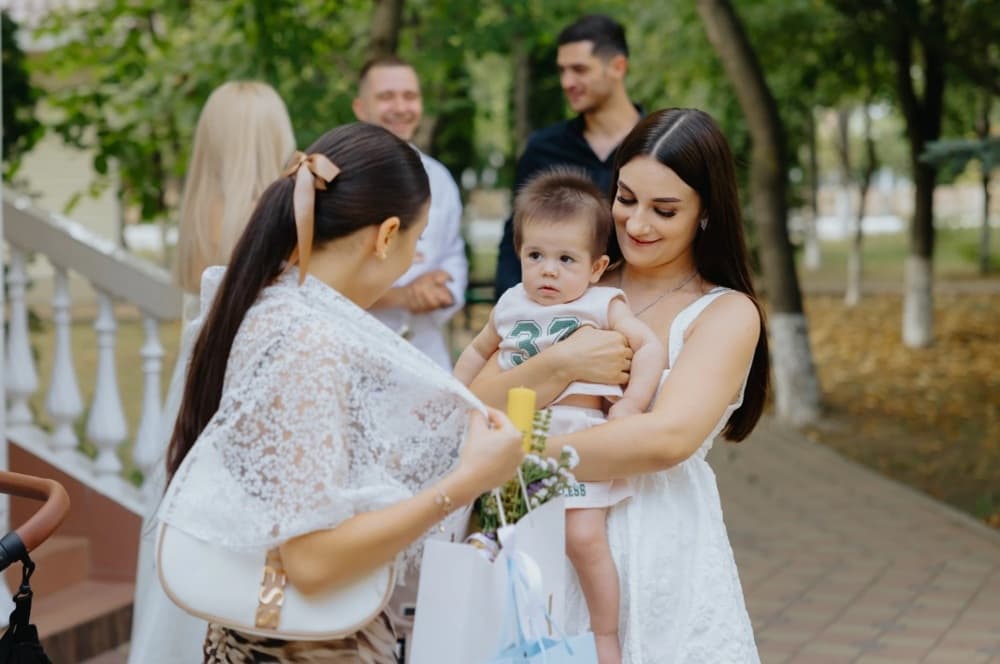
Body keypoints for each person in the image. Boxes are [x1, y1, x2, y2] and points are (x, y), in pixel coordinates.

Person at [157, 122, 524, 662]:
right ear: (385, 234)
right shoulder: (307, 342)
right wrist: (467, 480)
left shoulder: (271, 304)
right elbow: (311, 562)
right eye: (416, 244)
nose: (412, 260)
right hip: (304, 648)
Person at [470, 108, 770, 663]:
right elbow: (476, 402)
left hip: (656, 548)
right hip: (541, 532)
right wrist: (560, 366)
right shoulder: (566, 280)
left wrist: (522, 459)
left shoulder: (725, 313)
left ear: (706, 213)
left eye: (664, 210)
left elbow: (665, 440)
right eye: (626, 199)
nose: (636, 224)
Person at [454, 167, 664, 664]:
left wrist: (632, 402)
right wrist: (454, 397)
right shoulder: (509, 304)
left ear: (596, 267)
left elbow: (649, 347)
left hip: (578, 440)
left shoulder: (602, 302)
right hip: (514, 440)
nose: (548, 270)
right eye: (535, 256)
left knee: (582, 536)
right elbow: (475, 354)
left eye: (566, 259)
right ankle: (510, 634)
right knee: (504, 537)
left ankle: (605, 635)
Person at [129, 80, 297, 664]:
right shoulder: (280, 221)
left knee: (187, 536)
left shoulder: (201, 211)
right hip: (249, 381)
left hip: (194, 384)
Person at [494, 14, 642, 297]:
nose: (567, 82)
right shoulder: (543, 148)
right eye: (562, 70)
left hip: (637, 308)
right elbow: (515, 239)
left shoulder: (656, 147)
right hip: (550, 315)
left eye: (579, 69)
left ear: (618, 67)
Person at [353, 55, 468, 369]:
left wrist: (440, 291)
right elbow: (323, 281)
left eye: (410, 96)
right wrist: (401, 295)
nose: (401, 107)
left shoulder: (440, 179)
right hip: (354, 350)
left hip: (425, 352)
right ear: (361, 109)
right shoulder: (340, 177)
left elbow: (452, 257)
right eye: (386, 97)